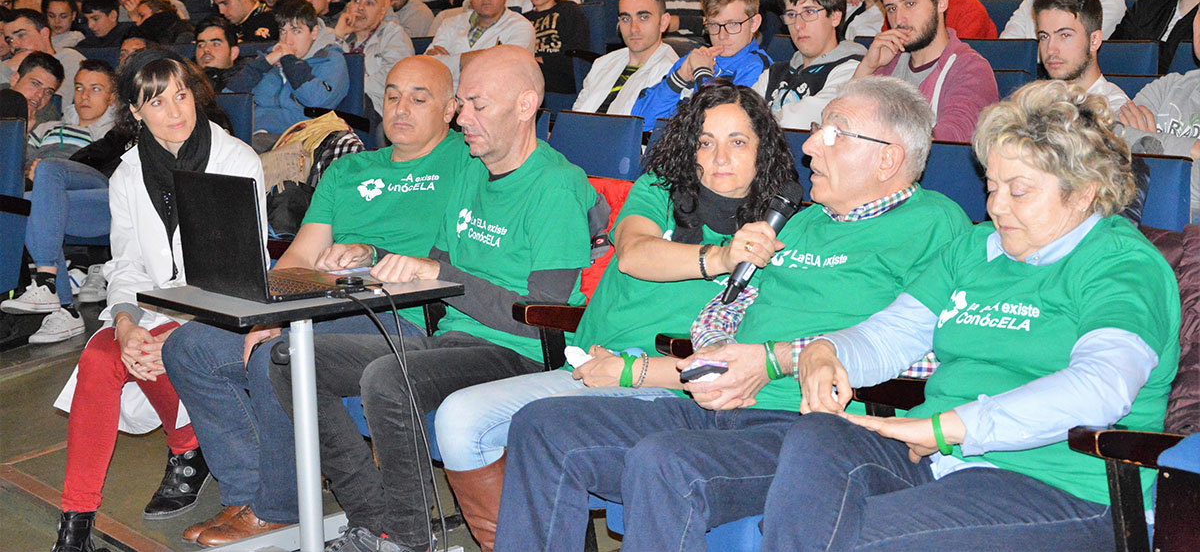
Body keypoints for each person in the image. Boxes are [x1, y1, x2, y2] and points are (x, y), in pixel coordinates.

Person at [495, 77, 973, 551]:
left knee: (665, 462)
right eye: (815, 129)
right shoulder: (800, 222)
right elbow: (722, 311)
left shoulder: (936, 225)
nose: (808, 147)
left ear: (887, 157)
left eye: (831, 133)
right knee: (542, 427)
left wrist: (773, 360)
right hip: (721, 407)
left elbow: (932, 348)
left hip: (812, 427)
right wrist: (712, 365)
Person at [772, 79, 1178, 550]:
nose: (995, 206)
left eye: (1019, 191)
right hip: (934, 458)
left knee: (855, 536)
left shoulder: (1123, 266)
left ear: (1084, 193)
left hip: (1057, 484)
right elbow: (894, 334)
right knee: (816, 439)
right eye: (991, 186)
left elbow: (1099, 388)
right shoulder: (974, 247)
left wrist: (949, 428)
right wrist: (829, 350)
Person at [440, 81, 800, 550]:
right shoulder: (659, 189)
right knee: (460, 419)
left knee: (467, 418)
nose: (720, 159)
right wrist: (721, 257)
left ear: (762, 150)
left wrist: (632, 370)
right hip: (592, 366)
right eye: (706, 142)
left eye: (738, 142)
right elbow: (633, 252)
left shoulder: (782, 231)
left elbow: (736, 358)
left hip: (670, 385)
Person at [268, 46, 596, 552]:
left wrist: (437, 271)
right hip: (453, 340)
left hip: (524, 355)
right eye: (462, 104)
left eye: (477, 106)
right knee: (294, 358)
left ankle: (409, 539)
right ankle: (375, 519)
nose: (463, 118)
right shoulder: (470, 170)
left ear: (526, 105)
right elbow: (440, 263)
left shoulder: (556, 187)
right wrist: (372, 255)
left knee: (388, 376)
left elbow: (542, 320)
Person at [162, 56, 471, 546]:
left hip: (399, 315)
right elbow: (300, 254)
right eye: (392, 95)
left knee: (277, 357)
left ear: (451, 109)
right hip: (320, 304)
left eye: (420, 97)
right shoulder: (351, 169)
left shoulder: (466, 161)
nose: (401, 108)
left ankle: (278, 507)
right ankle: (245, 494)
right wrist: (269, 314)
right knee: (188, 347)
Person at [48, 50, 264, 552]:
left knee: (159, 349)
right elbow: (124, 265)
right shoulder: (127, 174)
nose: (176, 111)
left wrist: (158, 325)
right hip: (153, 306)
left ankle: (188, 447)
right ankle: (76, 521)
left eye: (182, 95)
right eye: (158, 101)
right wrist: (124, 322)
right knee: (103, 356)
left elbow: (235, 272)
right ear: (136, 112)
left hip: (220, 309)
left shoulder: (236, 159)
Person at [2, 60, 117, 342]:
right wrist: (25, 134)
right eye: (79, 88)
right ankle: (66, 310)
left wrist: (41, 167)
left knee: (49, 169)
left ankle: (46, 281)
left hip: (94, 184)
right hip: (54, 190)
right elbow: (19, 168)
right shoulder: (48, 126)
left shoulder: (114, 131)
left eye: (95, 89)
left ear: (112, 98)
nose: (85, 96)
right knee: (31, 203)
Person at [853, 0, 998, 142]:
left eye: (910, 4)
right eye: (891, 8)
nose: (899, 20)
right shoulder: (886, 64)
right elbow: (840, 124)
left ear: (941, 2)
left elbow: (950, 141)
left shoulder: (971, 70)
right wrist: (866, 68)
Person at [633, 0, 770, 131]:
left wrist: (702, 74)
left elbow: (721, 126)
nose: (722, 35)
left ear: (754, 23)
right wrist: (678, 78)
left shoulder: (759, 68)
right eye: (713, 25)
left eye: (732, 24)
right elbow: (641, 123)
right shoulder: (692, 59)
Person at [227, 0, 348, 150]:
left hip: (299, 141)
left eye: (296, 31)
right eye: (283, 32)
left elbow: (317, 101)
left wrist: (290, 61)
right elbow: (230, 97)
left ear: (314, 32)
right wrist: (263, 64)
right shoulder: (270, 60)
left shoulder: (330, 60)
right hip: (253, 136)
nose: (288, 41)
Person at [755, 0, 866, 128]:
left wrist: (754, 126)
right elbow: (736, 117)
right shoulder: (773, 74)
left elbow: (800, 121)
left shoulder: (853, 70)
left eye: (809, 12)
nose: (798, 25)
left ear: (835, 17)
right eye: (791, 14)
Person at [1118, 7, 1200, 218]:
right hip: (1135, 212)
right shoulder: (1169, 85)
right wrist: (1193, 149)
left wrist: (1146, 145)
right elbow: (1115, 139)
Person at [573, 0, 679, 115]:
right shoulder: (602, 64)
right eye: (626, 19)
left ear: (664, 22)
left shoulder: (670, 74)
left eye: (643, 17)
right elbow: (575, 116)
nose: (633, 28)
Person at [427, 0, 536, 84]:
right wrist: (490, 55)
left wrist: (448, 61)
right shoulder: (449, 24)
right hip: (447, 100)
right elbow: (429, 67)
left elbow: (502, 71)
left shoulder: (521, 27)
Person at [1036, 0, 1128, 112]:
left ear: (1094, 41)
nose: (1050, 50)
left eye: (1065, 35)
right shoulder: (1036, 104)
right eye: (1044, 37)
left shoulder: (1114, 110)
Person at [333, 0, 415, 125]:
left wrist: (347, 87)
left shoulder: (392, 34)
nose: (360, 8)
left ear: (382, 12)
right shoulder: (340, 37)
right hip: (338, 106)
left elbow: (394, 79)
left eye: (370, 3)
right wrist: (338, 36)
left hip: (376, 111)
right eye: (356, 0)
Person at [524, 0, 590, 94]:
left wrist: (543, 60)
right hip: (527, 75)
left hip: (559, 77)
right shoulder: (522, 19)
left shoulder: (569, 10)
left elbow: (577, 51)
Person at [3, 8, 85, 98]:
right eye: (9, 40)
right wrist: (6, 69)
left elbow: (57, 105)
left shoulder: (69, 59)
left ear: (44, 33)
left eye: (21, 35)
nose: (14, 46)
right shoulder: (9, 65)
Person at [210, 0, 278, 42]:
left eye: (225, 3)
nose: (221, 11)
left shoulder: (270, 20)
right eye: (217, 5)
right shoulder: (227, 24)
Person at [193, 17, 247, 92]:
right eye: (201, 45)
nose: (206, 49)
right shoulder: (186, 83)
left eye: (215, 44)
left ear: (233, 53)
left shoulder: (247, 81)